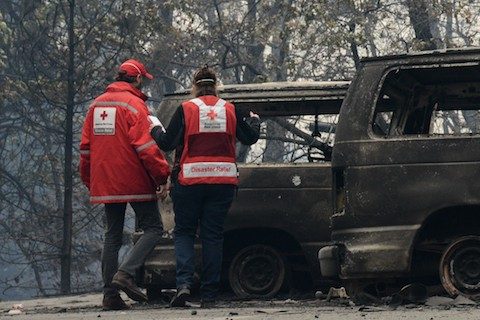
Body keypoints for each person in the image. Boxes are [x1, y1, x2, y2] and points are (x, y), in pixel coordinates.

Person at [150, 66, 260, 307]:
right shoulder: (229, 110)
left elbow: (168, 143)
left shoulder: (187, 109)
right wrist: (255, 121)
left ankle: (184, 286)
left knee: (185, 233)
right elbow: (250, 138)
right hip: (222, 182)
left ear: (195, 86)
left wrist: (155, 128)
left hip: (190, 182)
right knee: (213, 236)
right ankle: (210, 295)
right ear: (216, 85)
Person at [79, 59, 171, 310]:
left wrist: (90, 181)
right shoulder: (134, 105)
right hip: (133, 178)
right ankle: (126, 274)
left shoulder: (95, 106)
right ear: (138, 79)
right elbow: (146, 148)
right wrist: (162, 176)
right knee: (153, 228)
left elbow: (85, 150)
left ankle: (110, 296)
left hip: (105, 180)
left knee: (112, 236)